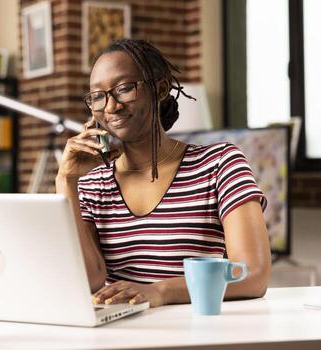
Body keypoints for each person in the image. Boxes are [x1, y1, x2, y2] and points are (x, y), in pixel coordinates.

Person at [55, 39, 271, 308]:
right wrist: (67, 181)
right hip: (117, 337)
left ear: (160, 89)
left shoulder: (219, 165)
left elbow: (252, 274)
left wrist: (160, 291)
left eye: (123, 89)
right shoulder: (90, 186)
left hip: (199, 335)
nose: (110, 107)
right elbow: (89, 281)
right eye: (98, 96)